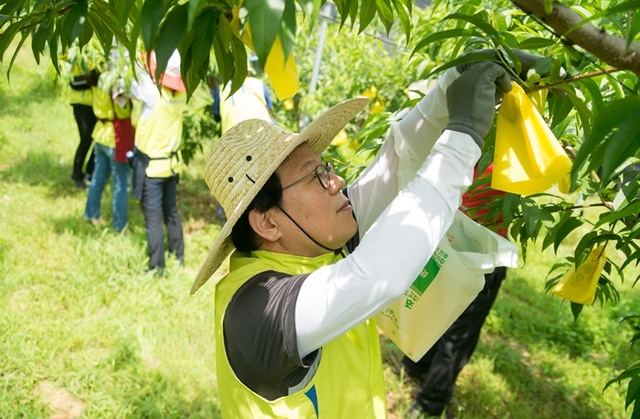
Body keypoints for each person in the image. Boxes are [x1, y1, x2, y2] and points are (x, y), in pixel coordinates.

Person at [189, 58, 516, 418]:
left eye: (327, 167)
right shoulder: (258, 310)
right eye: (313, 176)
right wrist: (462, 139)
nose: (337, 182)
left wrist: (452, 86)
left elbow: (394, 161)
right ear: (267, 223)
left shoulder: (318, 242)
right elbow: (375, 276)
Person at [402, 163, 508, 418]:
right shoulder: (514, 160)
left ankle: (416, 367)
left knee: (433, 309)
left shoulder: (468, 144)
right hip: (484, 255)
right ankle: (430, 402)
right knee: (459, 335)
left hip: (447, 244)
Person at [129, 50, 187, 275]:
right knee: (171, 212)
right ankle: (178, 257)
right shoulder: (181, 95)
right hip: (171, 166)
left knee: (152, 218)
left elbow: (130, 81)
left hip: (152, 168)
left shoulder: (152, 93)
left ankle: (157, 267)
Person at [83, 71, 134, 232]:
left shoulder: (93, 81)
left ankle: (91, 214)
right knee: (121, 184)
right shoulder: (112, 85)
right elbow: (123, 112)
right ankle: (120, 226)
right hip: (116, 137)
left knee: (98, 178)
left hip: (100, 134)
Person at [210, 68, 274, 134]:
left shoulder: (220, 89)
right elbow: (269, 107)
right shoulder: (259, 84)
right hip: (263, 132)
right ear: (248, 71)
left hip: (233, 136)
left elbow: (216, 116)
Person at [69, 67, 99, 189]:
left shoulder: (96, 57)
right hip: (81, 105)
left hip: (96, 105)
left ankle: (90, 172)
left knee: (98, 139)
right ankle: (76, 174)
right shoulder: (78, 58)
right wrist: (95, 78)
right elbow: (74, 83)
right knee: (86, 140)